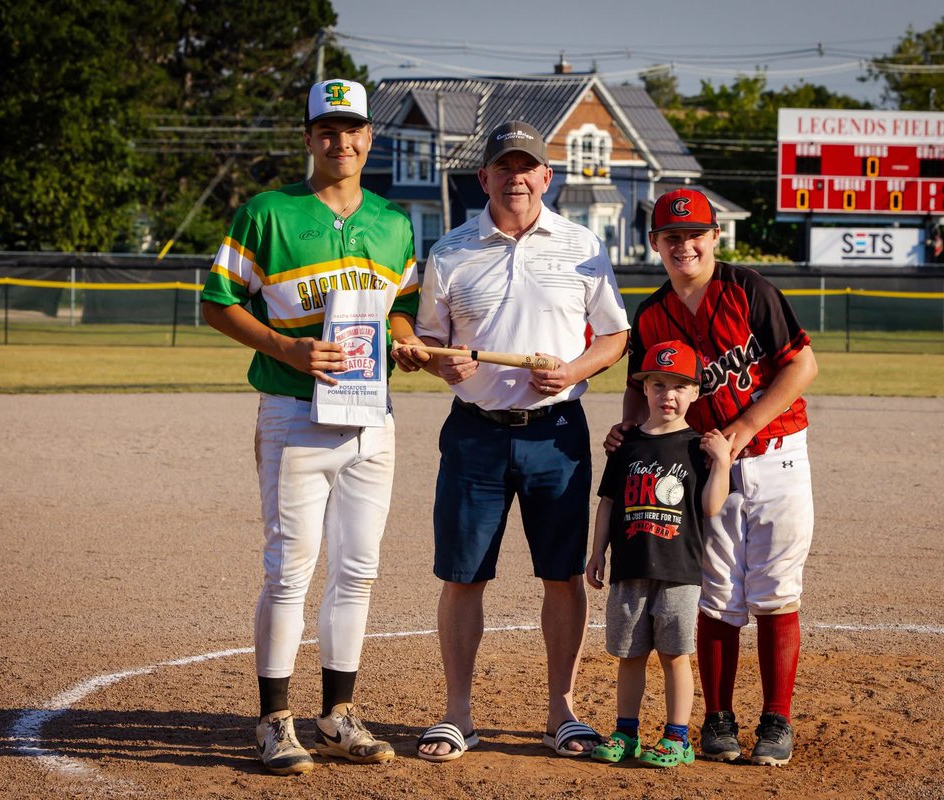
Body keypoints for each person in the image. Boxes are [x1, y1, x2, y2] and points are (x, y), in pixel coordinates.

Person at [200, 78, 421, 775]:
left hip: (371, 419)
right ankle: (274, 720)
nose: (341, 140)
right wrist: (286, 347)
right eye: (327, 129)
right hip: (294, 412)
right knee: (288, 571)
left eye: (353, 128)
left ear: (369, 138)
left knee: (357, 570)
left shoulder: (393, 220)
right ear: (308, 137)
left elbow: (401, 310)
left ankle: (338, 715)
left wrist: (409, 340)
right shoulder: (267, 212)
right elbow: (216, 303)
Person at [392, 120, 630, 762]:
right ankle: (457, 715)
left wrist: (575, 370)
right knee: (463, 575)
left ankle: (562, 712)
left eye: (528, 167)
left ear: (546, 177)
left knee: (562, 574)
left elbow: (614, 336)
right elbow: (429, 340)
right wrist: (442, 362)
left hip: (557, 434)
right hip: (474, 436)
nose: (516, 177)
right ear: (485, 177)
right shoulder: (450, 250)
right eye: (505, 166)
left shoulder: (582, 245)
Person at [606, 188, 818, 767]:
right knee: (718, 593)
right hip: (702, 467)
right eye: (671, 237)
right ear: (655, 244)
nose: (684, 246)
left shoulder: (748, 289)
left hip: (776, 453)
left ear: (714, 237)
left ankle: (776, 720)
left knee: (776, 590)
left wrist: (742, 430)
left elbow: (803, 364)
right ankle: (718, 719)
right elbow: (637, 387)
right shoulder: (651, 313)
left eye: (694, 234)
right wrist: (630, 439)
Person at [585, 340, 735, 769]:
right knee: (629, 654)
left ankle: (677, 737)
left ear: (695, 393)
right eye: (658, 384)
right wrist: (597, 553)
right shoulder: (627, 445)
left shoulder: (698, 447)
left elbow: (710, 507)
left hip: (679, 570)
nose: (667, 394)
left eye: (679, 386)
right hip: (629, 568)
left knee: (674, 655)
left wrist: (722, 463)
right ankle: (626, 731)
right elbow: (609, 502)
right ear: (644, 388)